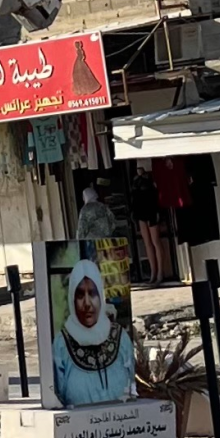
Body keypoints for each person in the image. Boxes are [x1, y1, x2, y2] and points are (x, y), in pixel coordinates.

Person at [52, 258, 135, 406]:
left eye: (92, 293)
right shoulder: (61, 344)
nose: (87, 303)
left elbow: (133, 389)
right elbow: (58, 398)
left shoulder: (120, 337)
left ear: (101, 297)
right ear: (72, 298)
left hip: (120, 423)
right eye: (80, 295)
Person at [131, 165, 165, 284]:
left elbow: (156, 196)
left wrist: (157, 212)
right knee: (147, 244)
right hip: (140, 212)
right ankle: (153, 272)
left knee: (156, 241)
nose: (139, 170)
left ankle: (160, 272)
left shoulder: (150, 179)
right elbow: (134, 198)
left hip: (151, 210)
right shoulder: (135, 180)